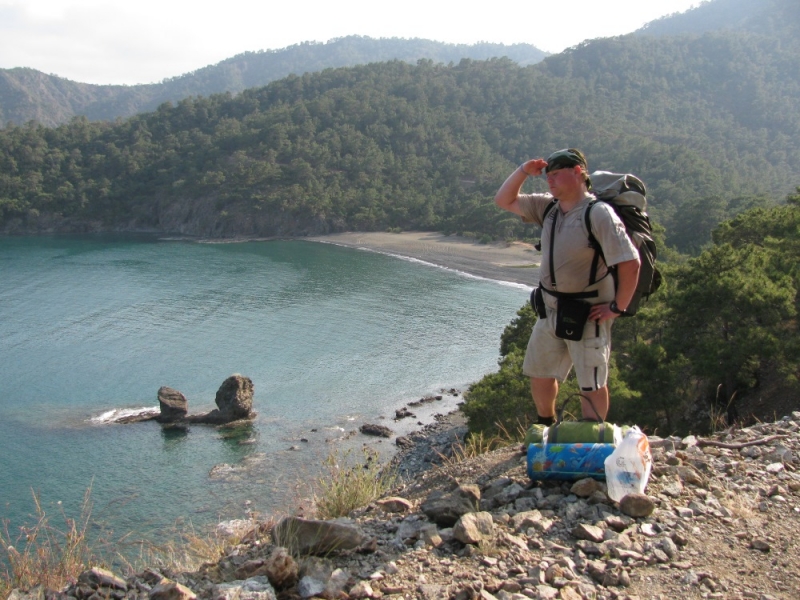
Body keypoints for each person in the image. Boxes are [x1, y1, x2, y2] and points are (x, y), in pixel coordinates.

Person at [494, 148, 640, 424]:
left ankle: (592, 434)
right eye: (548, 176)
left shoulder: (599, 214)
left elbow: (630, 263)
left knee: (591, 380)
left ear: (578, 173)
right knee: (539, 371)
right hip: (549, 308)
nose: (550, 180)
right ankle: (545, 425)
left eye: (557, 175)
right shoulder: (547, 207)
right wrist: (524, 170)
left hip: (588, 310)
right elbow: (504, 200)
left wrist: (617, 307)